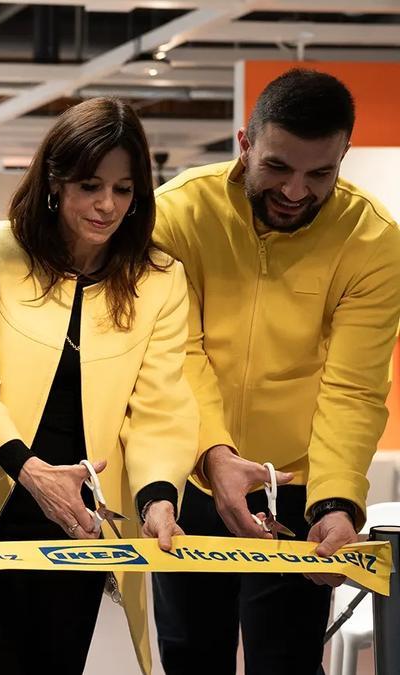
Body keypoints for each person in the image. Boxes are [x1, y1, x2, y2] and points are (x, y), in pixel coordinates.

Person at [0, 97, 198, 675]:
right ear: (54, 182)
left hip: (83, 520)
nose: (107, 205)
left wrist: (158, 498)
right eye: (89, 186)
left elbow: (160, 406)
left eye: (123, 189)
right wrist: (32, 473)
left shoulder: (160, 279)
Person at [152, 68, 400, 675]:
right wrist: (212, 453)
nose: (295, 190)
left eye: (320, 174)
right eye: (278, 167)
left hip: (294, 486)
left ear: (343, 157)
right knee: (191, 656)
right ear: (246, 144)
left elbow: (354, 387)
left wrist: (336, 501)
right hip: (191, 475)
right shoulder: (178, 212)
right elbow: (177, 351)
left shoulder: (373, 242)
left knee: (287, 660)